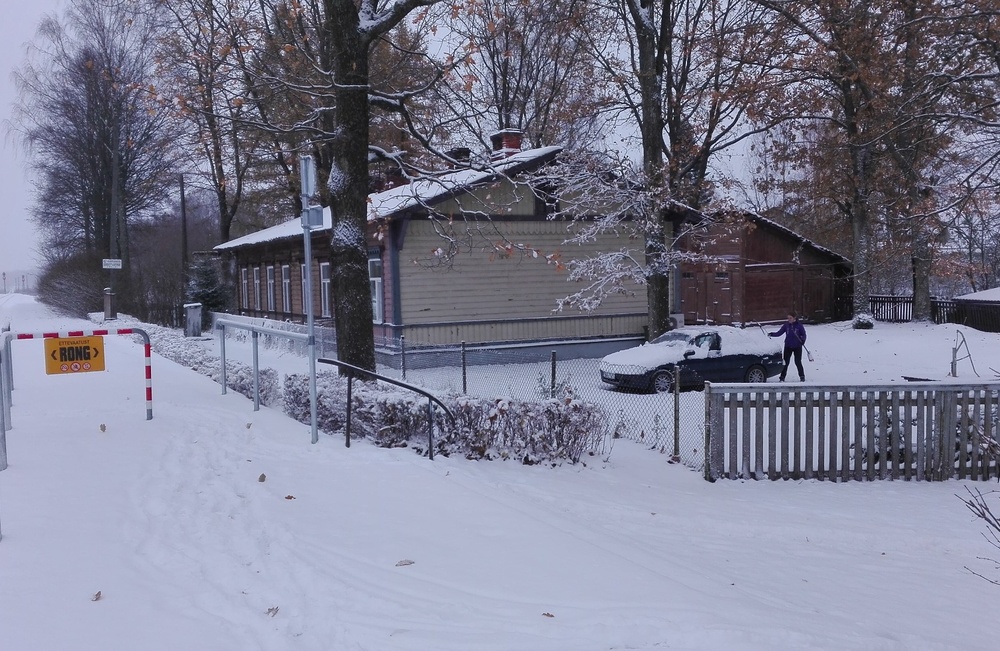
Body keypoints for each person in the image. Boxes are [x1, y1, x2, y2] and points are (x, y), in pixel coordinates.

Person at [769, 313, 807, 381]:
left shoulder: (799, 325)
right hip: (788, 346)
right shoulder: (786, 325)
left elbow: (803, 334)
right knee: (785, 362)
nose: (789, 319)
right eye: (788, 318)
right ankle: (782, 377)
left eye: (790, 318)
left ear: (794, 318)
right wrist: (772, 334)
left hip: (797, 346)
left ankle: (802, 376)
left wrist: (803, 340)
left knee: (798, 362)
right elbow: (779, 333)